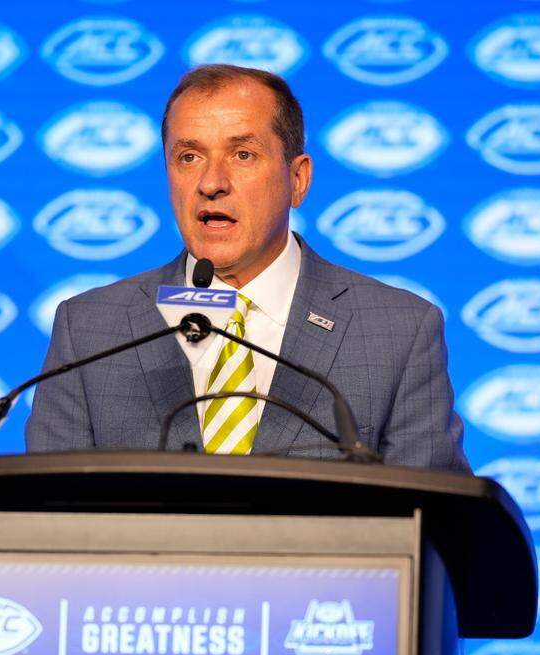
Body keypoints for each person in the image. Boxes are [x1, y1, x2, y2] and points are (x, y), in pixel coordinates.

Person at [26, 64, 469, 472]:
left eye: (242, 155)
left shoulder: (399, 332)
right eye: (189, 157)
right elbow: (45, 514)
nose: (211, 183)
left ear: (298, 180)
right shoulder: (90, 331)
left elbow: (435, 517)